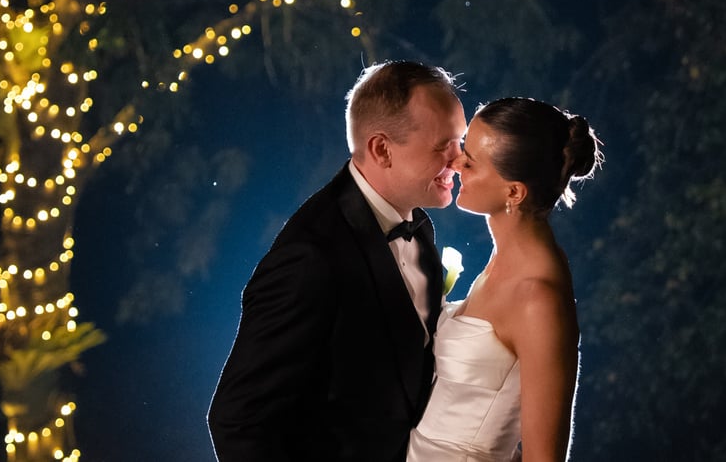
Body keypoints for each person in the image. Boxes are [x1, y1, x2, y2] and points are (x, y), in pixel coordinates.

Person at [208, 61, 467, 461]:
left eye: (460, 141)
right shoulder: (310, 257)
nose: (460, 160)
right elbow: (238, 420)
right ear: (382, 149)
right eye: (443, 146)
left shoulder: (419, 227)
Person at [406, 97, 603, 462]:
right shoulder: (507, 256)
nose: (455, 163)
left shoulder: (538, 298)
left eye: (470, 162)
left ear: (514, 192)